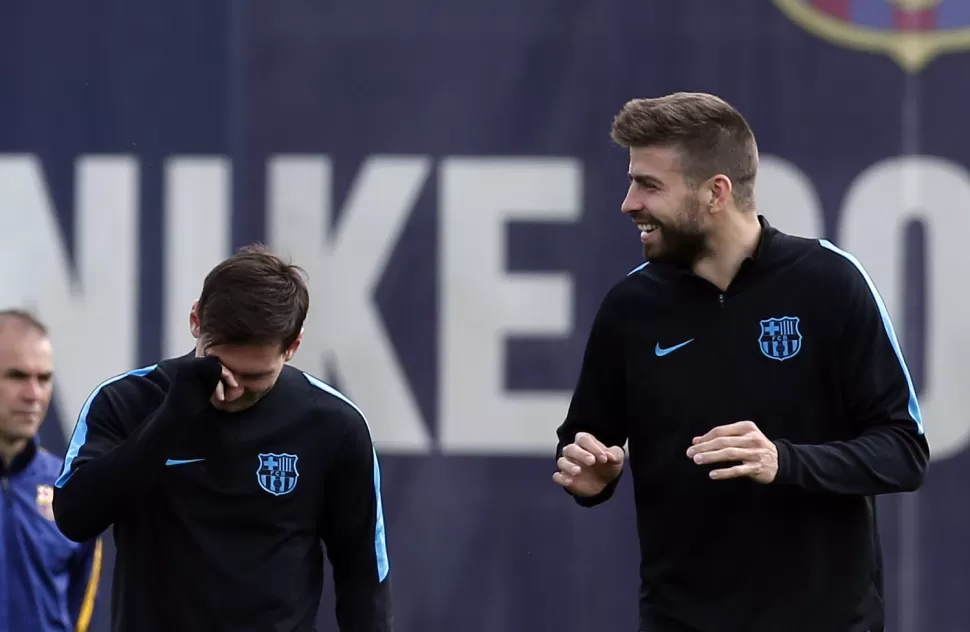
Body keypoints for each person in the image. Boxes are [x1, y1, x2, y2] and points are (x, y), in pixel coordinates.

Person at [553, 92, 929, 632]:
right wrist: (590, 473)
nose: (628, 203)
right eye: (633, 182)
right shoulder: (630, 308)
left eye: (649, 185)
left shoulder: (831, 282)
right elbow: (584, 440)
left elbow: (904, 450)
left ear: (716, 192)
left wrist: (784, 461)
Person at [52, 244, 393, 632]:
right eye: (220, 366)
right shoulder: (125, 401)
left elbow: (364, 574)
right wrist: (171, 418)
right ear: (196, 320)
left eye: (255, 378)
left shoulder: (334, 424)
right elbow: (74, 517)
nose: (233, 387)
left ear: (293, 346)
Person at [0, 309, 102, 632]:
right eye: (17, 376)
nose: (33, 395)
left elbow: (80, 615)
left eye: (43, 378)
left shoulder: (71, 490)